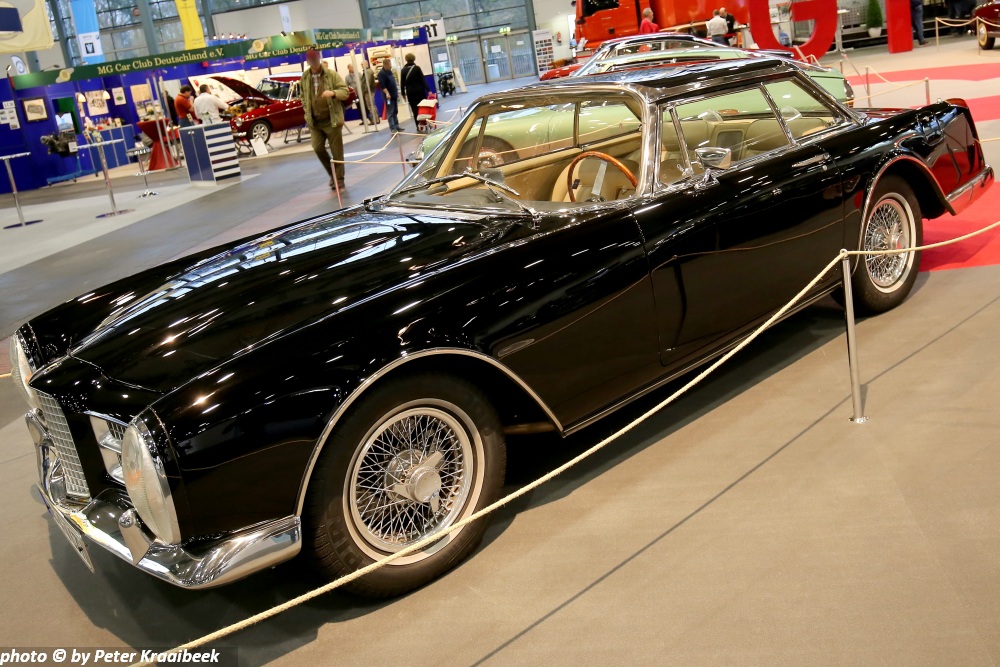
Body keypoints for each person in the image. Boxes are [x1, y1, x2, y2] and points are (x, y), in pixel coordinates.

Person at [299, 49, 350, 190]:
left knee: (337, 152)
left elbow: (345, 92)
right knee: (317, 148)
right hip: (315, 121)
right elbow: (302, 95)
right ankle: (333, 174)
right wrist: (306, 108)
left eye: (315, 59)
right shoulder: (305, 77)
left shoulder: (331, 75)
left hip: (331, 120)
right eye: (311, 60)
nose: (313, 62)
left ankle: (339, 179)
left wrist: (333, 93)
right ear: (308, 61)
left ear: (318, 58)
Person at [400, 53, 429, 132]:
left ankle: (418, 125)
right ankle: (426, 124)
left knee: (414, 109)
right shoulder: (417, 68)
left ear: (406, 59)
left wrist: (403, 94)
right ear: (414, 59)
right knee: (423, 108)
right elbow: (423, 80)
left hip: (410, 93)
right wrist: (428, 90)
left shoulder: (403, 70)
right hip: (420, 92)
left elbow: (402, 83)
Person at [377, 56, 400, 133]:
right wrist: (387, 93)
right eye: (389, 65)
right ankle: (392, 128)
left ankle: (397, 126)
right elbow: (382, 86)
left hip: (394, 94)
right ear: (385, 65)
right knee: (390, 112)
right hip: (388, 97)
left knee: (395, 111)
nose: (390, 66)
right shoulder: (381, 74)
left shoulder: (390, 71)